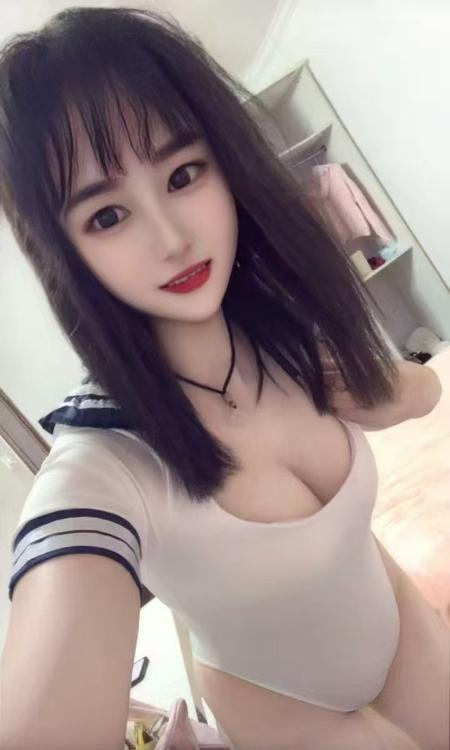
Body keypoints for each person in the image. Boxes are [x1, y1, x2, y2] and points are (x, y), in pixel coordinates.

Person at [0, 7, 447, 750]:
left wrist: (396, 391)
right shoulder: (105, 464)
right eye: (107, 216)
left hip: (400, 622)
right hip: (288, 709)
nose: (172, 238)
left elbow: (422, 391)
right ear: (66, 252)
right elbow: (65, 562)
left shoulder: (279, 323)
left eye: (183, 174)